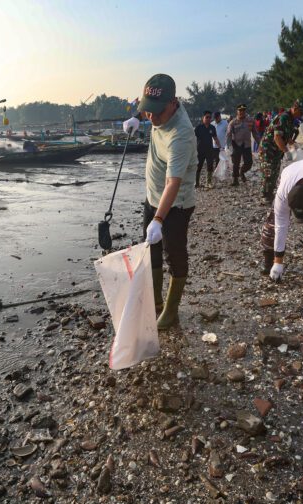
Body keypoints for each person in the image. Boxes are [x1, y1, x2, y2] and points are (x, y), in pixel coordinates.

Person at [122, 73, 197, 329]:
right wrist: (136, 117)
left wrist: (158, 219)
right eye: (147, 111)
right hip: (152, 196)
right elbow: (147, 110)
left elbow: (173, 184)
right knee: (150, 248)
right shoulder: (155, 112)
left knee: (174, 254)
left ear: (173, 103)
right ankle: (154, 300)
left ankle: (171, 310)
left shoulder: (181, 134)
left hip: (176, 205)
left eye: (156, 113)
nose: (152, 118)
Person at [258, 100, 303, 201]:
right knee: (268, 172)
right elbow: (277, 137)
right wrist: (286, 151)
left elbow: (285, 135)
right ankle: (264, 195)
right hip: (268, 149)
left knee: (275, 172)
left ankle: (269, 194)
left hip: (276, 150)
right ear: (295, 109)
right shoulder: (283, 117)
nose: (300, 115)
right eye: (300, 112)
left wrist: (293, 144)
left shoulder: (291, 119)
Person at [226, 104, 259, 186]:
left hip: (247, 145)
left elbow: (255, 133)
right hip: (236, 145)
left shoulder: (250, 121)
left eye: (243, 110)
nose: (242, 112)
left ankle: (242, 171)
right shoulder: (232, 123)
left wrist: (260, 143)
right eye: (240, 110)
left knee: (249, 163)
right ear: (237, 112)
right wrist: (228, 146)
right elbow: (228, 135)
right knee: (235, 163)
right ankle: (235, 180)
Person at [194, 110, 220, 188]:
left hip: (209, 150)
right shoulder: (198, 127)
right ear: (203, 118)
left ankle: (208, 182)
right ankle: (196, 182)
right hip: (199, 150)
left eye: (209, 117)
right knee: (198, 166)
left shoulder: (212, 127)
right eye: (207, 117)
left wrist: (220, 147)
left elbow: (215, 138)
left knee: (210, 166)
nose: (208, 119)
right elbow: (192, 138)